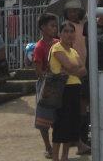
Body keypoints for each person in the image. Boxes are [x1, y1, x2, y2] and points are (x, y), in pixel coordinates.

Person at [49, 22, 87, 161]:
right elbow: (71, 66)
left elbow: (84, 70)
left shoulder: (73, 51)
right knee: (60, 124)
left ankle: (64, 156)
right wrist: (75, 69)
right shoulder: (56, 48)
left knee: (71, 123)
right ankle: (55, 157)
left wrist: (72, 70)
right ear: (60, 34)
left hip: (75, 89)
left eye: (71, 31)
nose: (69, 34)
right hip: (62, 90)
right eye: (66, 31)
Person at [32, 14, 60, 159]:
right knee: (43, 119)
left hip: (59, 85)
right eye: (52, 26)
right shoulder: (39, 47)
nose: (55, 29)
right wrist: (50, 76)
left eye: (55, 26)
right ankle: (48, 147)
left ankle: (55, 147)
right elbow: (39, 72)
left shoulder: (58, 43)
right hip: (46, 86)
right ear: (43, 27)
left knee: (57, 118)